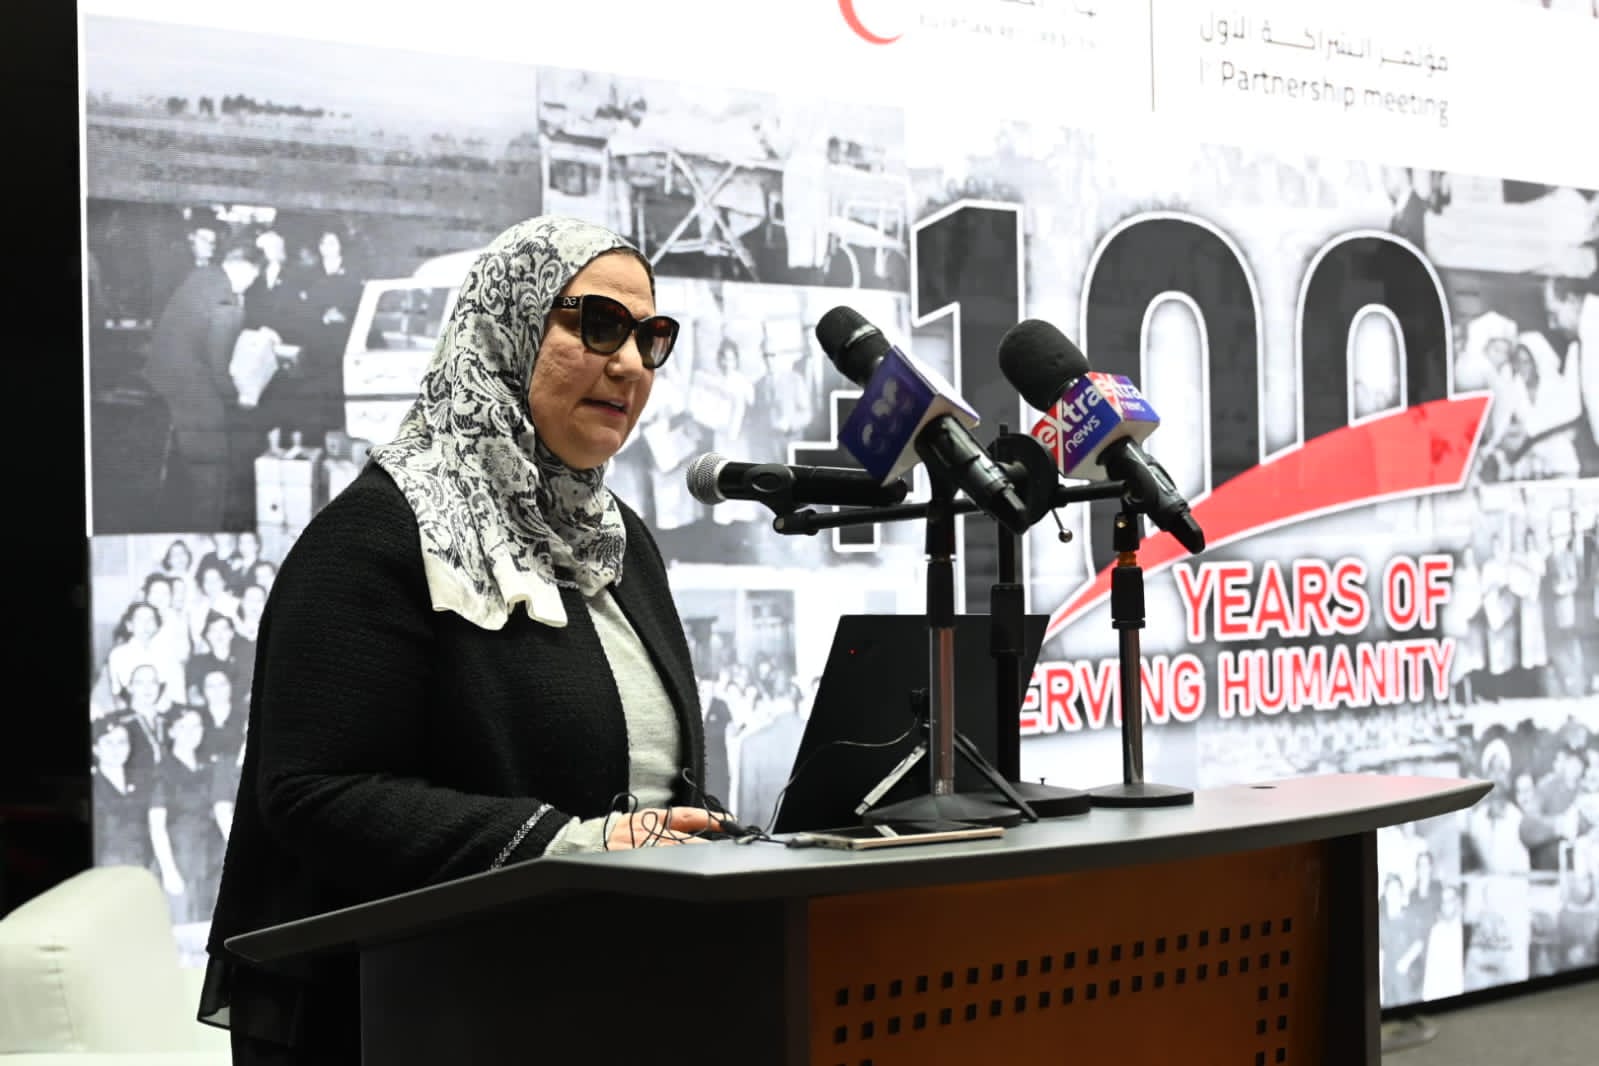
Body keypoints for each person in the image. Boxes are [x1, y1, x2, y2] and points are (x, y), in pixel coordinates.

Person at [201, 216, 724, 1065]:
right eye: (597, 325)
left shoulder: (619, 539)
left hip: (616, 984)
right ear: (505, 326)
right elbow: (311, 792)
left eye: (649, 336)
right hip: (424, 1012)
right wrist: (567, 844)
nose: (629, 362)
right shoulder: (378, 532)